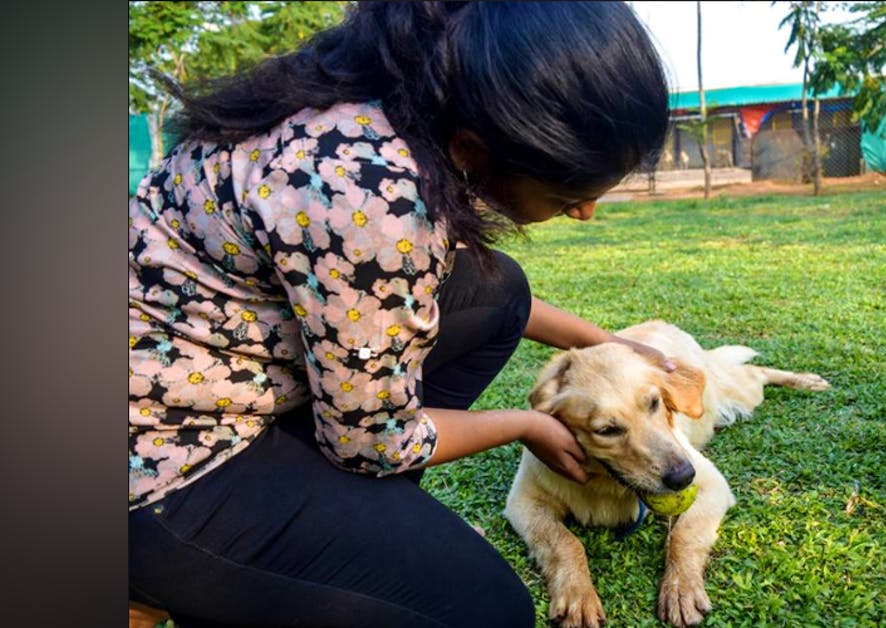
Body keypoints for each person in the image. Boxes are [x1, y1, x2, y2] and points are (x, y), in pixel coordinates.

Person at [128, 2, 672, 626]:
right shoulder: (374, 197)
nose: (585, 214)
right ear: (474, 147)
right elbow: (370, 441)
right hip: (161, 464)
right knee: (486, 611)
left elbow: (480, 292)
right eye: (569, 194)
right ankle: (167, 578)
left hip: (183, 371)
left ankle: (338, 527)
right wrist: (525, 425)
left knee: (497, 293)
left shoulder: (371, 111)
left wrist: (610, 345)